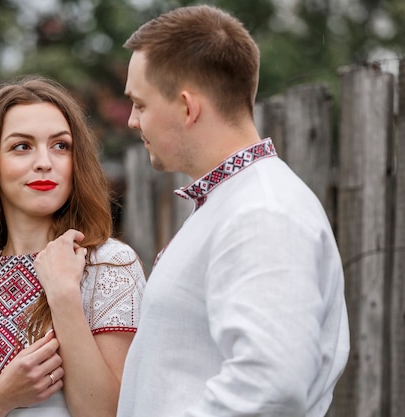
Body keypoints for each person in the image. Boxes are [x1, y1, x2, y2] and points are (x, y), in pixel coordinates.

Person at [117, 5, 349, 417]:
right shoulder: (233, 202)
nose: (133, 121)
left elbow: (270, 387)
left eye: (140, 103)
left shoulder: (263, 213)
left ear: (188, 108)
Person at [0, 77, 146, 417]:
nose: (44, 161)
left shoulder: (109, 264)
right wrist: (0, 397)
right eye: (21, 147)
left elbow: (110, 413)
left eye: (60, 146)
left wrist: (64, 295)